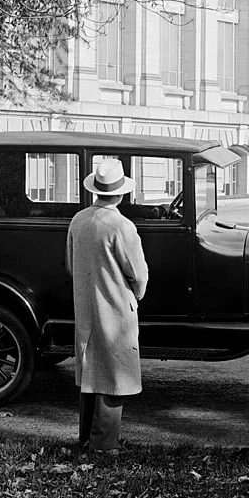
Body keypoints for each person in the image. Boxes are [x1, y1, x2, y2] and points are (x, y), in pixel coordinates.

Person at [66, 159, 149, 453]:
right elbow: (138, 274)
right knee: (114, 374)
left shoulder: (78, 220)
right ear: (121, 193)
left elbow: (69, 263)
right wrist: (135, 295)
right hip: (115, 305)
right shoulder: (122, 226)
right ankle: (104, 444)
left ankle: (87, 437)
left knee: (90, 372)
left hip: (85, 303)